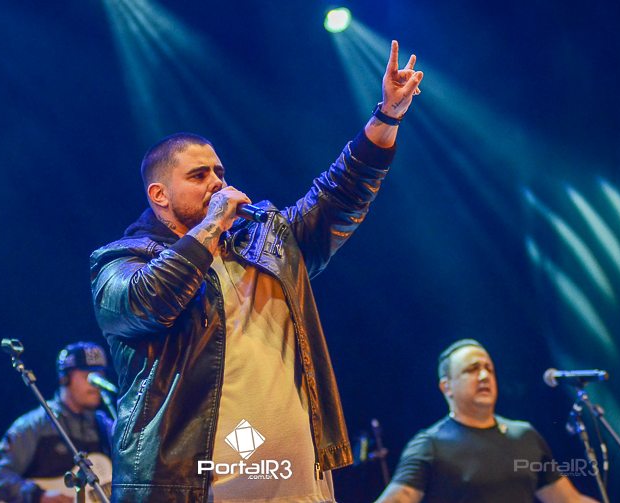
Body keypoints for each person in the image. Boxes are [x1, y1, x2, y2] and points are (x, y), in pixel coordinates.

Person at [90, 40, 423, 502]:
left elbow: (338, 196)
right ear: (159, 195)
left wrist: (386, 117)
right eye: (198, 176)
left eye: (219, 172)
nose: (217, 183)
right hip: (199, 487)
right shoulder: (119, 261)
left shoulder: (266, 242)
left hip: (302, 483)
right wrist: (211, 224)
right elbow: (149, 302)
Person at [375, 339, 598, 503]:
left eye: (489, 369)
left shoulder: (525, 436)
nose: (484, 376)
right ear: (446, 387)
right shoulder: (430, 444)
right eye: (472, 370)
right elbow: (399, 498)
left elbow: (569, 500)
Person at [0, 342, 114, 503]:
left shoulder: (106, 426)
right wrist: (37, 496)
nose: (96, 383)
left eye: (100, 374)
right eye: (88, 375)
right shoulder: (35, 424)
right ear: (65, 378)